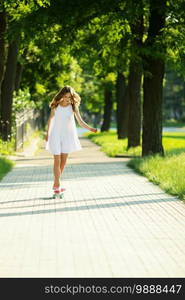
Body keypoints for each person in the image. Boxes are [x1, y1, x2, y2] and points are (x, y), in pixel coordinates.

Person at [45, 85, 97, 194]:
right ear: (62, 95)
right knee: (57, 160)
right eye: (65, 96)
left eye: (69, 97)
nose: (67, 99)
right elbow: (50, 120)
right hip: (55, 135)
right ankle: (57, 184)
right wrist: (47, 133)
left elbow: (80, 121)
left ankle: (56, 182)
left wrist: (90, 128)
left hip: (67, 136)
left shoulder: (73, 107)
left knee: (63, 162)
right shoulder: (55, 106)